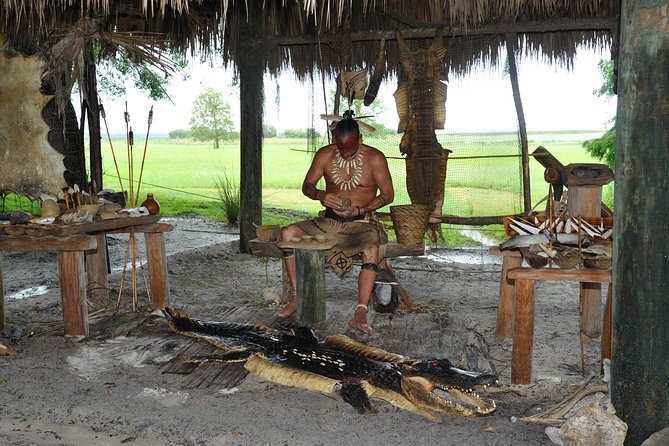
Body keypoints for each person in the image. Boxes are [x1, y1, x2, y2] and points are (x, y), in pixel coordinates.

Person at [276, 116, 394, 334]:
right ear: (334, 140)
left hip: (361, 223)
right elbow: (307, 186)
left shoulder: (375, 158)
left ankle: (360, 312)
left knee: (372, 249)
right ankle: (297, 297)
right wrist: (321, 195)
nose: (344, 153)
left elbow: (388, 195)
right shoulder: (325, 154)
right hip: (329, 221)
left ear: (360, 139)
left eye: (349, 149)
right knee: (287, 233)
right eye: (340, 148)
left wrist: (360, 210)